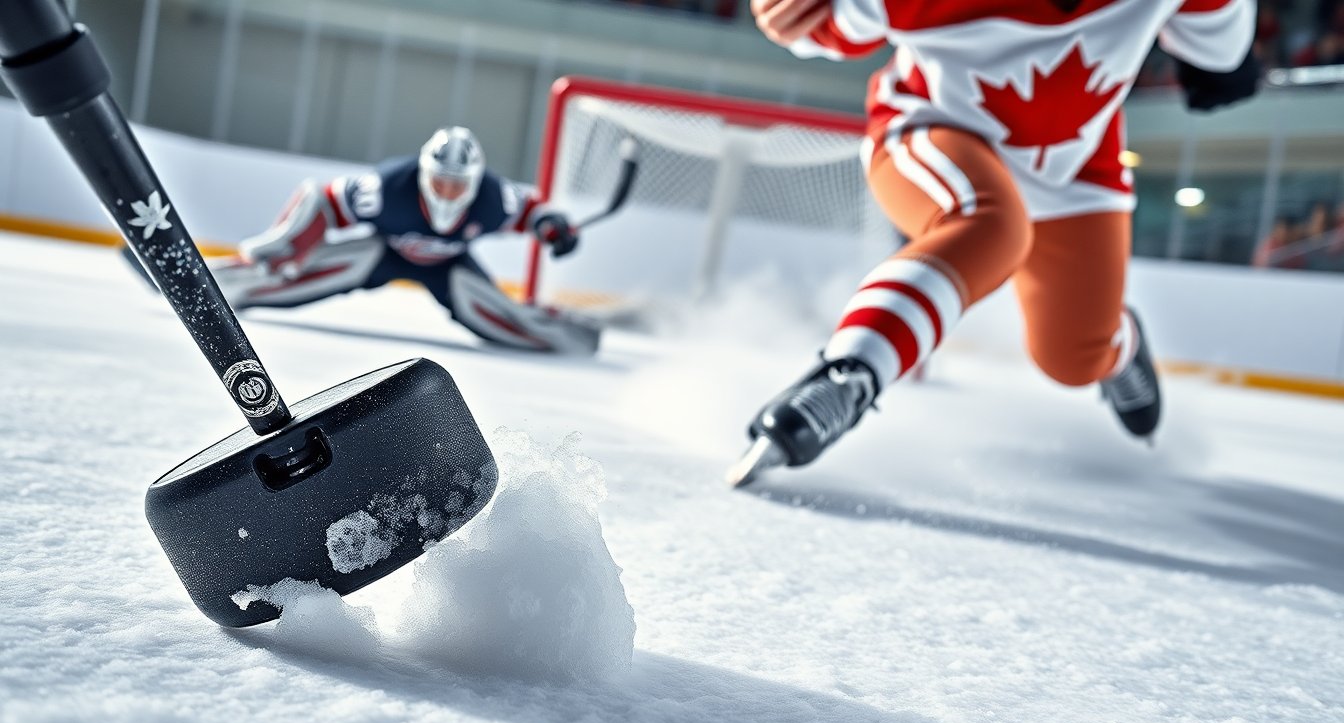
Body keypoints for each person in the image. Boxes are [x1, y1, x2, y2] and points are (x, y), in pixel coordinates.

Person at [730, 0, 1260, 485]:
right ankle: (850, 373)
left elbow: (1222, 49)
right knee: (988, 225)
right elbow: (809, 26)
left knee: (1073, 357)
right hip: (934, 126)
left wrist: (1226, 60)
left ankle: (1118, 348)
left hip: (1075, 167)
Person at [206, 126, 599, 355]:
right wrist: (289, 246)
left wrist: (555, 227)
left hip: (449, 268)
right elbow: (323, 201)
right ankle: (230, 286)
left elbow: (533, 213)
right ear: (424, 173)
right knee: (308, 271)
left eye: (457, 185)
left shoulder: (492, 198)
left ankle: (566, 332)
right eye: (440, 182)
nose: (447, 192)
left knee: (492, 313)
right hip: (384, 252)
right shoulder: (388, 187)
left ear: (474, 182)